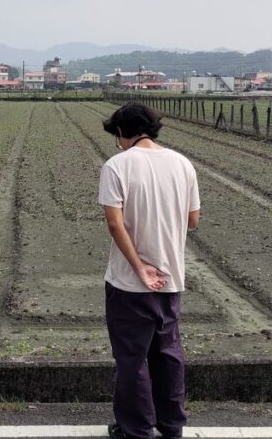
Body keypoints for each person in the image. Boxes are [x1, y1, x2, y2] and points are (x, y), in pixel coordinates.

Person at [98, 103, 202, 439]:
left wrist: (140, 267)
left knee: (132, 359)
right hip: (170, 280)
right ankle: (172, 425)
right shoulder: (183, 164)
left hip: (129, 284)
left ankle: (136, 429)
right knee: (168, 354)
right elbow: (193, 220)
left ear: (121, 133)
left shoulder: (117, 166)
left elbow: (115, 224)